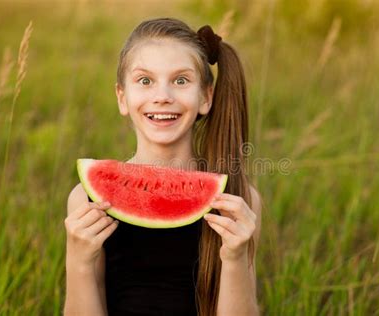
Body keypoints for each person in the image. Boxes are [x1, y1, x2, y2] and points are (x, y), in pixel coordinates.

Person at [64, 17, 262, 316]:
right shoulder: (86, 201)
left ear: (206, 97)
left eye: (181, 81)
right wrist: (79, 262)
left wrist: (235, 258)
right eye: (145, 81)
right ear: (122, 97)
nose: (162, 97)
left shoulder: (238, 202)